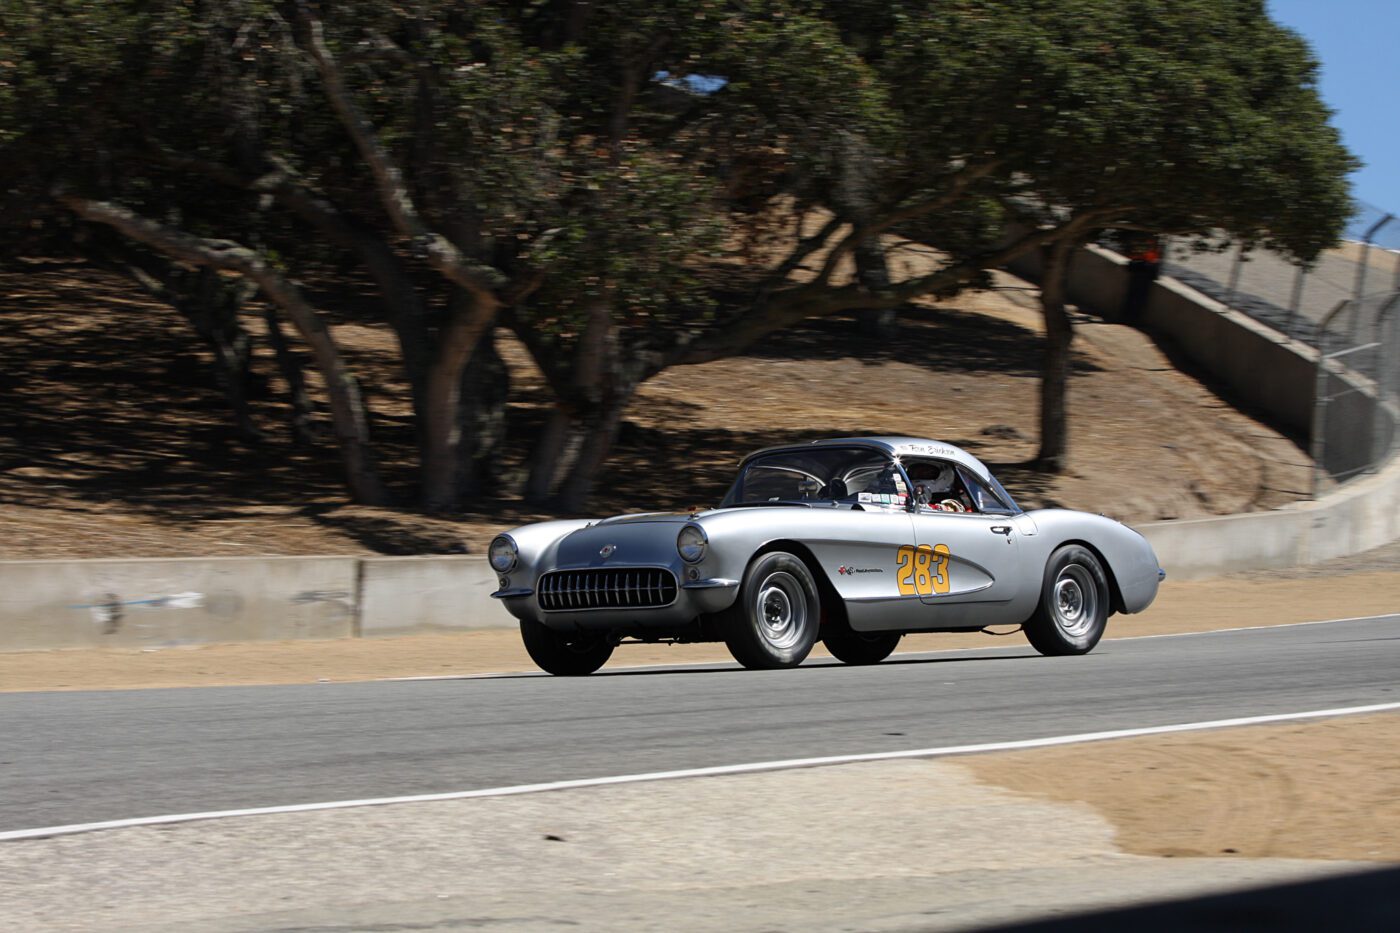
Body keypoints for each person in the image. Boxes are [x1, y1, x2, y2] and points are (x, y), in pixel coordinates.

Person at [1122, 234, 1161, 323]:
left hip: (1139, 271)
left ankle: (1128, 317)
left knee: (1133, 297)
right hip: (1143, 272)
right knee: (1137, 298)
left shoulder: (1144, 242)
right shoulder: (1151, 245)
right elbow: (1152, 260)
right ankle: (1131, 318)